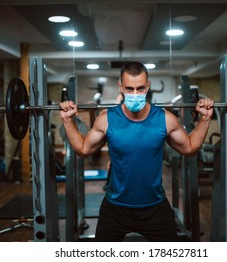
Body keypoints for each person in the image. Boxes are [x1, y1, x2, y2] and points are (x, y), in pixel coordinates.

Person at [59, 61, 214, 241]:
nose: (135, 94)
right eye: (129, 89)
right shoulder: (106, 119)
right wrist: (68, 121)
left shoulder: (165, 119)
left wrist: (205, 118)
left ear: (148, 86)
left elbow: (189, 148)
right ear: (121, 87)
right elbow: (84, 150)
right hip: (115, 208)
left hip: (155, 209)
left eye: (140, 89)